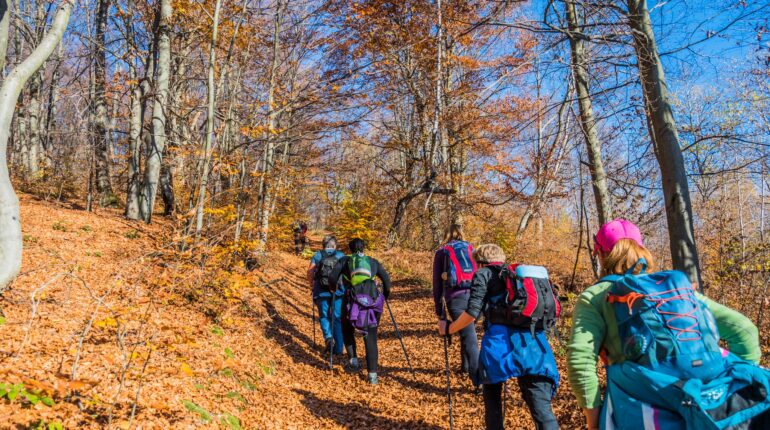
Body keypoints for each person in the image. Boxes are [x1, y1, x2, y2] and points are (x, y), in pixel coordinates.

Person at [567, 219, 770, 430]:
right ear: (640, 249)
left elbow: (581, 361)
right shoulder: (674, 290)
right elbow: (744, 330)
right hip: (705, 414)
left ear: (600, 254)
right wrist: (728, 389)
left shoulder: (595, 297)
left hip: (639, 413)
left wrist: (593, 418)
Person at [438, 244, 560, 430]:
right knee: (542, 411)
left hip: (500, 346)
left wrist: (449, 329)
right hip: (533, 344)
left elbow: (472, 314)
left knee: (493, 404)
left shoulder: (483, 274)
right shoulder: (516, 276)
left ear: (479, 262)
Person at [330, 238, 392, 385]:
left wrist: (333, 288)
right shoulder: (372, 261)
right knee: (370, 335)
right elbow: (387, 281)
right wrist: (385, 296)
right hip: (372, 301)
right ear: (364, 248)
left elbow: (333, 277)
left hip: (351, 300)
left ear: (350, 249)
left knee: (347, 328)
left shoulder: (345, 261)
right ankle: (372, 375)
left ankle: (353, 360)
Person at [432, 224, 479, 383]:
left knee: (469, 335)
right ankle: (465, 367)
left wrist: (440, 311)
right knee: (467, 331)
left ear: (446, 235)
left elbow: (437, 284)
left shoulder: (442, 252)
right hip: (475, 296)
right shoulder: (471, 249)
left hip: (455, 298)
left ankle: (477, 379)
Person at [307, 235, 345, 355]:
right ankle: (339, 348)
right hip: (338, 291)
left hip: (321, 290)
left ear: (323, 245)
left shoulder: (318, 255)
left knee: (324, 316)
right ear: (335, 245)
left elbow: (310, 272)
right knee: (337, 317)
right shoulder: (341, 255)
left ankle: (328, 338)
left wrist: (311, 285)